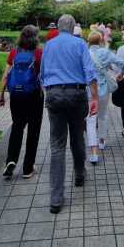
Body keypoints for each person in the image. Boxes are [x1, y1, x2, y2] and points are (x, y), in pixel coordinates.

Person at [41, 14, 99, 214]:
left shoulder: (48, 45)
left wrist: (48, 93)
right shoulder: (80, 44)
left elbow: (42, 73)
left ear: (58, 27)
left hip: (54, 94)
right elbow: (90, 72)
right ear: (73, 27)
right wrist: (94, 98)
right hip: (76, 95)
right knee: (77, 138)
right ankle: (80, 174)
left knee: (57, 145)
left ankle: (56, 199)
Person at [0, 25, 44, 178]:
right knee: (33, 130)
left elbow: (6, 75)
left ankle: (10, 161)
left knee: (17, 127)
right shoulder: (39, 53)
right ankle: (27, 168)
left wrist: (1, 95)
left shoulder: (13, 53)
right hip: (34, 96)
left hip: (16, 96)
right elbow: (44, 74)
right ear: (35, 38)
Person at [86, 31, 124, 163]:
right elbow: (122, 63)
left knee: (91, 120)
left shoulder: (84, 53)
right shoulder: (105, 52)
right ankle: (102, 141)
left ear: (89, 41)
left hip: (90, 92)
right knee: (102, 116)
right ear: (100, 41)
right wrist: (121, 73)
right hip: (103, 90)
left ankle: (93, 152)